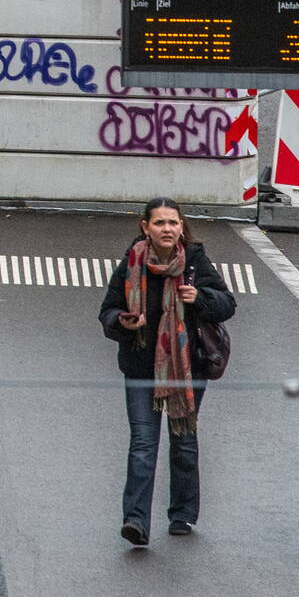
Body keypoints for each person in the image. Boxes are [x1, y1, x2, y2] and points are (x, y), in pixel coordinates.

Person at [98, 197, 237, 546]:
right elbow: (108, 312)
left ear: (181, 227)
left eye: (173, 223)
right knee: (143, 444)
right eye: (159, 223)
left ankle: (182, 515)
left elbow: (227, 305)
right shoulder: (133, 262)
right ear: (145, 227)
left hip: (186, 368)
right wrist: (123, 322)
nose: (167, 229)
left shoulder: (194, 261)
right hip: (142, 367)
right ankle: (135, 520)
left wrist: (199, 297)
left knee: (183, 441)